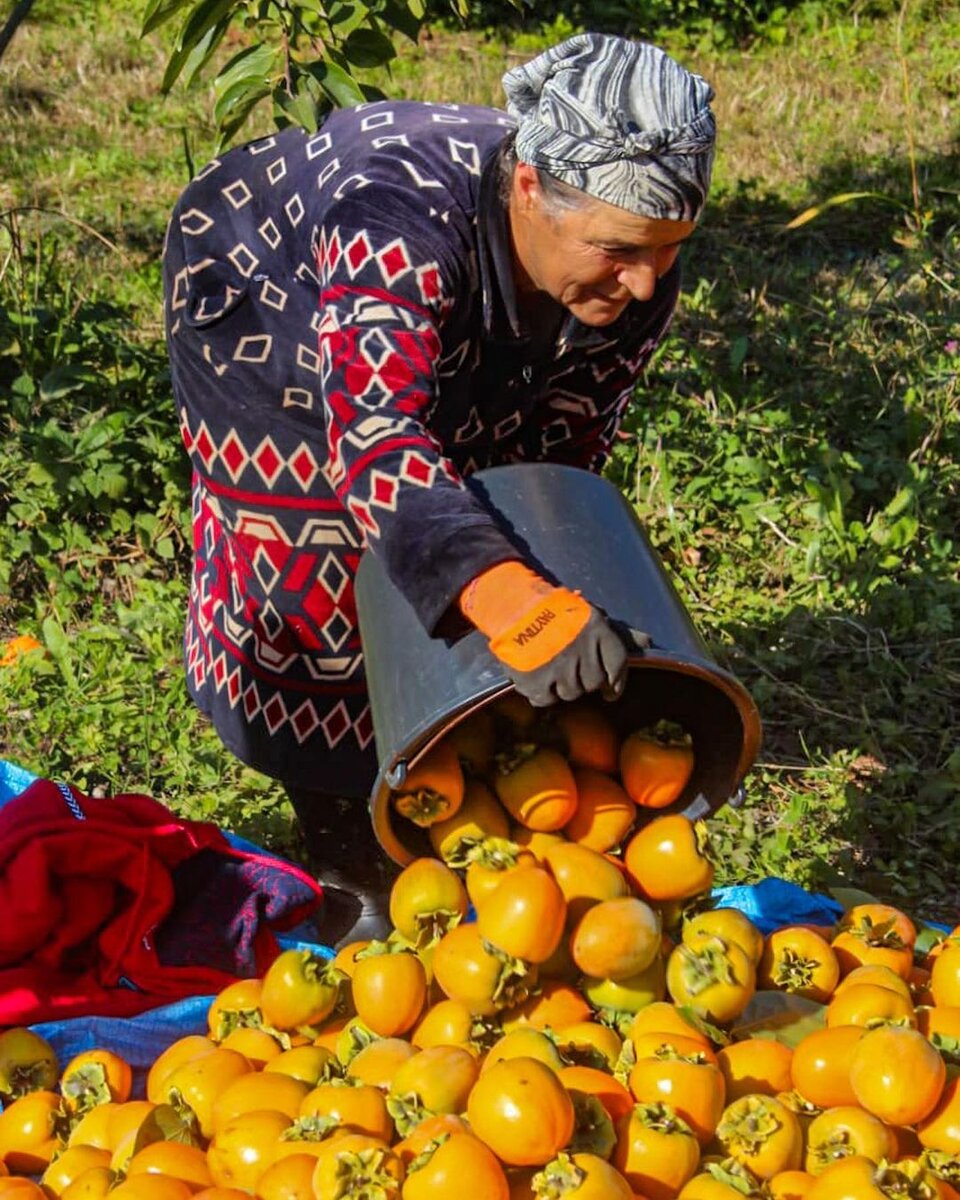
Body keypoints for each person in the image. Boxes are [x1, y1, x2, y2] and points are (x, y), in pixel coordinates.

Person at [161, 32, 716, 943]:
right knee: (317, 532)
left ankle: (458, 757)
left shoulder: (633, 258)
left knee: (488, 506)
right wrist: (512, 604)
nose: (647, 279)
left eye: (669, 249)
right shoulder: (395, 216)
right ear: (530, 188)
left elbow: (565, 450)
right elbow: (378, 438)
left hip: (447, 312)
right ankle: (346, 850)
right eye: (619, 251)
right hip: (263, 288)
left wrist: (553, 588)